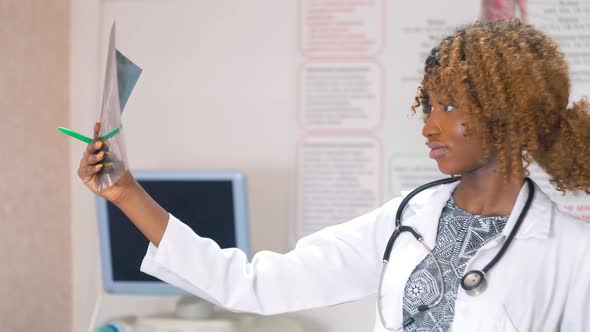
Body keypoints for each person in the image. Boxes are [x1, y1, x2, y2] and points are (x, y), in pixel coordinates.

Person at [79, 20, 590, 331]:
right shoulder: (407, 220)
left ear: (505, 110)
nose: (429, 124)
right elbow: (254, 284)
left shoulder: (573, 253)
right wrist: (127, 194)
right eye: (428, 104)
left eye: (449, 105)